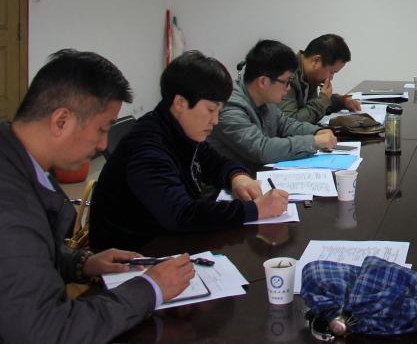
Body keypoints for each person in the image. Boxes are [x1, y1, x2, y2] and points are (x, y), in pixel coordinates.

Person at [0, 49, 194, 343]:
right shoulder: (11, 209)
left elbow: (23, 257)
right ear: (61, 121)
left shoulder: (13, 153)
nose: (104, 144)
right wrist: (150, 289)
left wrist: (81, 263)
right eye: (102, 129)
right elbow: (48, 331)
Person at [90, 51, 291, 251]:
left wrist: (237, 177)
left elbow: (214, 162)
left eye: (219, 111)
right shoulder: (148, 149)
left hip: (169, 239)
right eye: (210, 110)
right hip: (137, 254)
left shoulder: (179, 128)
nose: (215, 120)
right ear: (180, 103)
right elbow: (181, 215)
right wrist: (255, 209)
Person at [208, 40, 337, 171]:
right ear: (263, 81)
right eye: (286, 82)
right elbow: (261, 149)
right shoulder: (229, 106)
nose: (288, 88)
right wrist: (314, 142)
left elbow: (285, 124)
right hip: (229, 181)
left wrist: (316, 131)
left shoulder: (263, 98)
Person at [279, 34, 361, 124]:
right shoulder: (286, 76)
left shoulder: (309, 75)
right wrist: (322, 100)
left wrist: (342, 101)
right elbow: (290, 122)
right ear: (316, 61)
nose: (331, 78)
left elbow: (311, 107)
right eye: (332, 72)